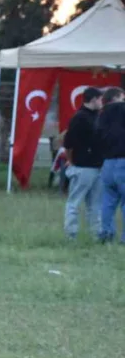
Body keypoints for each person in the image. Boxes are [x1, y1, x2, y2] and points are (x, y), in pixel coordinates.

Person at [62, 87, 103, 240]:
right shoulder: (79, 118)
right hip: (83, 167)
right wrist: (72, 162)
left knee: (95, 205)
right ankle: (71, 235)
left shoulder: (97, 117)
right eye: (100, 99)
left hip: (97, 167)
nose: (101, 102)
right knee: (74, 202)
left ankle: (96, 235)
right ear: (93, 99)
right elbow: (68, 144)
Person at [97, 86, 125, 243]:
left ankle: (106, 234)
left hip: (108, 163)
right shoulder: (122, 109)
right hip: (124, 160)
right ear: (117, 96)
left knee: (107, 202)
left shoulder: (102, 114)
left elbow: (98, 136)